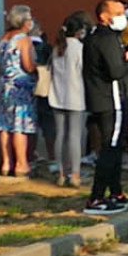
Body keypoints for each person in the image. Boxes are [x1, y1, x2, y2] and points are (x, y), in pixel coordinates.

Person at [82, 0, 128, 214]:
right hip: (112, 99)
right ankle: (96, 197)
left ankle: (116, 191)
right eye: (118, 12)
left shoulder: (94, 37)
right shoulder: (107, 38)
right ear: (104, 16)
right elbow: (115, 72)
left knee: (115, 147)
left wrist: (122, 57)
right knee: (110, 148)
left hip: (100, 98)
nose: (123, 16)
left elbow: (104, 64)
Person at [0, 5, 40, 177]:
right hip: (20, 87)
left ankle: (6, 163)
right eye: (29, 19)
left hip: (5, 85)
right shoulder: (24, 40)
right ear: (23, 21)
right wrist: (38, 70)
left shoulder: (5, 38)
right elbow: (28, 65)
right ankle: (21, 164)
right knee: (19, 126)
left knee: (5, 125)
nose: (31, 22)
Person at [50, 14, 89, 189]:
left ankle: (60, 172)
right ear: (80, 31)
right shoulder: (79, 48)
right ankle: (75, 174)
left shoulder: (57, 47)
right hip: (75, 95)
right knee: (75, 135)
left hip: (56, 94)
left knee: (60, 134)